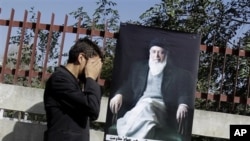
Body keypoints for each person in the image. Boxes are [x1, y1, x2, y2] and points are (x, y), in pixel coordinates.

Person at [109, 38, 195, 141]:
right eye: (154, 52)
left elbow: (183, 93)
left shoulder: (177, 73)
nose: (156, 56)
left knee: (146, 106)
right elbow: (128, 87)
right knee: (144, 110)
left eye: (161, 53)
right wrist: (119, 95)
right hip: (140, 106)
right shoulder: (138, 68)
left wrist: (183, 105)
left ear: (166, 54)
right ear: (150, 53)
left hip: (161, 108)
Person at [43, 37, 103, 141]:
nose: (96, 70)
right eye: (94, 64)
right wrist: (91, 78)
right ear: (81, 58)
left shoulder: (73, 82)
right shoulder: (59, 80)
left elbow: (91, 110)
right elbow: (92, 108)